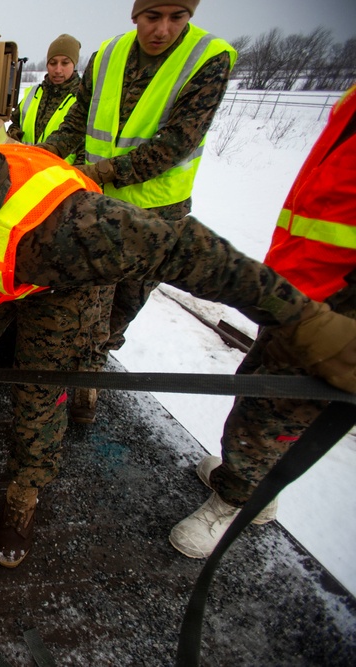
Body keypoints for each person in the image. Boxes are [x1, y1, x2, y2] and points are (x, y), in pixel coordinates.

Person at [0, 120, 356, 571]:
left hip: (62, 283)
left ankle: (23, 495)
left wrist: (304, 320)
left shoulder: (76, 230)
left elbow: (183, 248)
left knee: (41, 392)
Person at [169, 85, 356, 559]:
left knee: (274, 414)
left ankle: (237, 501)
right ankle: (250, 479)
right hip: (302, 290)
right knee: (255, 391)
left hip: (337, 311)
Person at [39, 0, 235, 424]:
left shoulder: (209, 58)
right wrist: (39, 158)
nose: (162, 29)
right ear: (135, 16)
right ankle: (80, 382)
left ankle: (93, 370)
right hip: (97, 206)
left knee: (123, 305)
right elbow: (76, 121)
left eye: (176, 17)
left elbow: (176, 143)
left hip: (156, 215)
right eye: (152, 17)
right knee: (84, 296)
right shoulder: (107, 55)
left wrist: (97, 169)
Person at [7, 33, 82, 164]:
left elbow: (84, 147)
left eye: (65, 63)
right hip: (27, 168)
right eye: (53, 63)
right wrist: (14, 135)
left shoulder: (82, 99)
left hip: (61, 175)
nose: (58, 70)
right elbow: (15, 123)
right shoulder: (32, 93)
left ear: (74, 64)